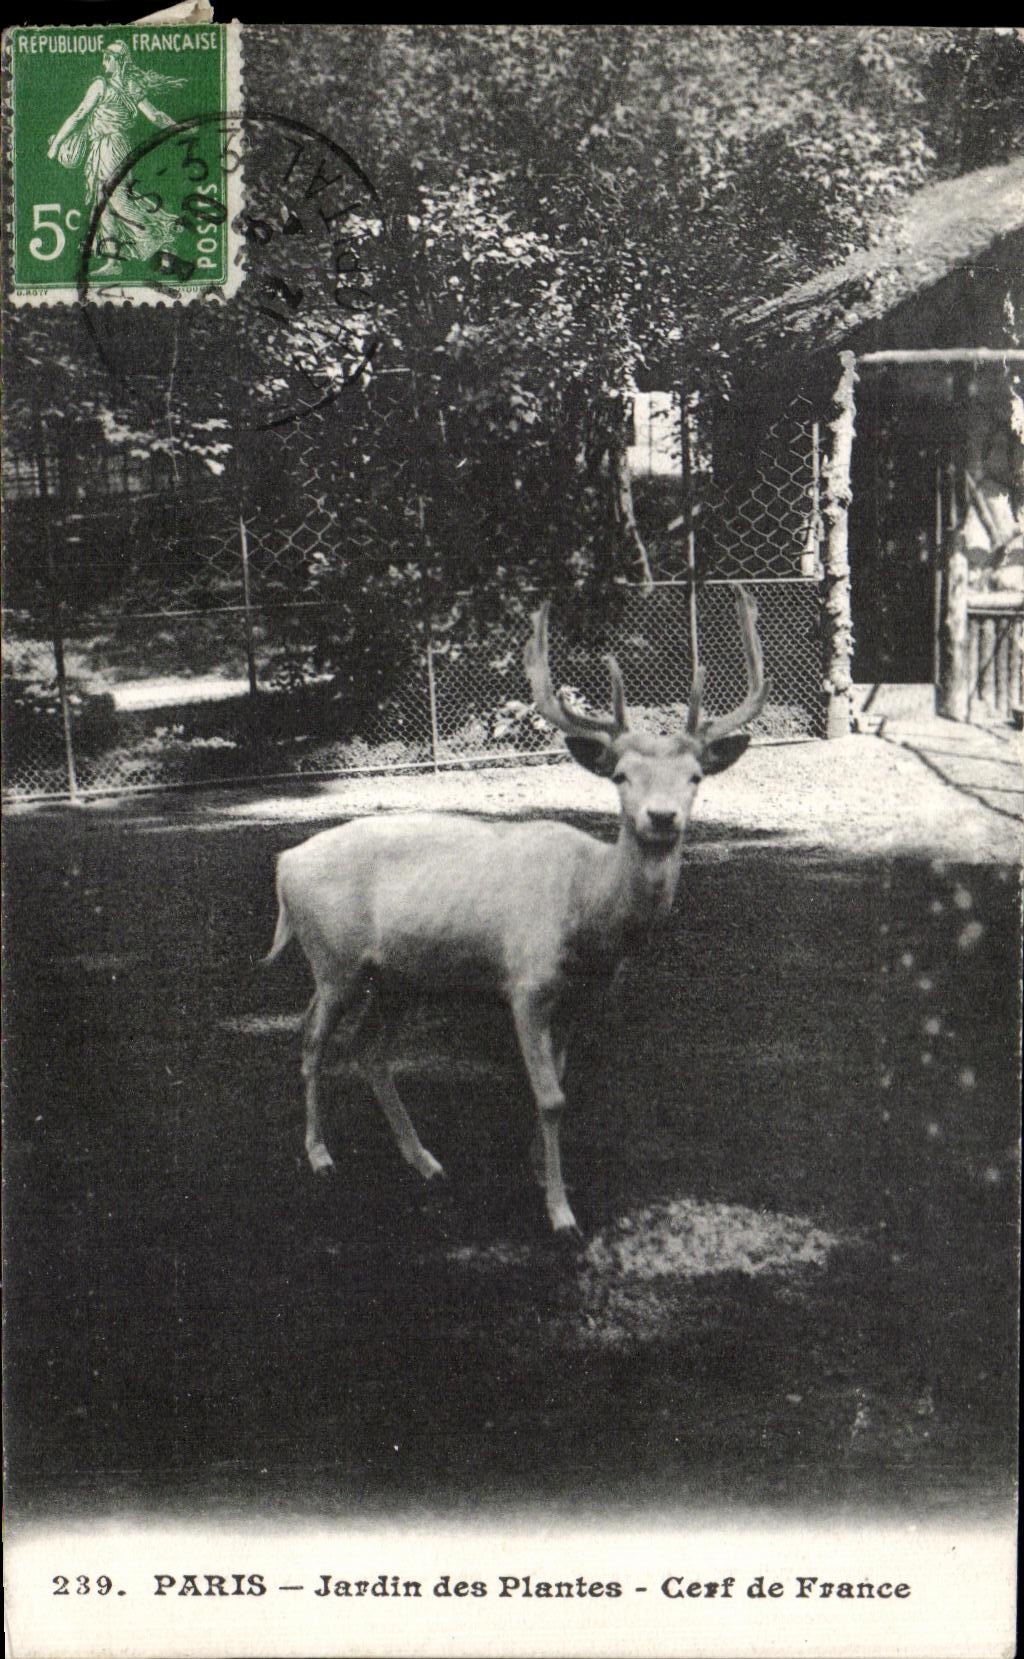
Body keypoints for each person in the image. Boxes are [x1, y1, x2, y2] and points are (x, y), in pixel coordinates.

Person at [46, 42, 185, 275]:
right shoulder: (129, 85)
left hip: (111, 146)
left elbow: (79, 115)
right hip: (106, 146)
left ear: (119, 60)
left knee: (118, 198)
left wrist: (56, 145)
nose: (103, 61)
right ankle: (113, 260)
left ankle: (162, 237)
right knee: (103, 201)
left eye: (107, 57)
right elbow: (156, 116)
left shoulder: (102, 85)